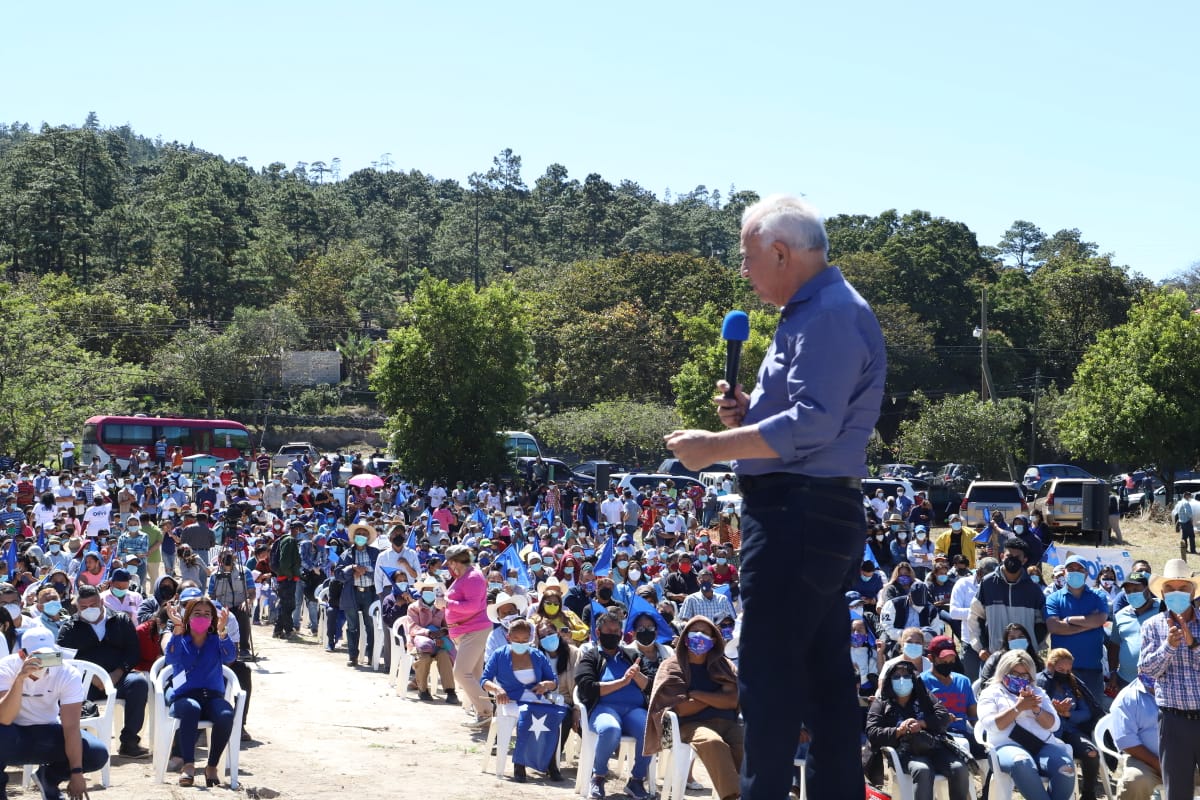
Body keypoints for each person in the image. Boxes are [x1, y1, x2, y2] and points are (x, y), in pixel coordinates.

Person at [664, 195, 885, 800]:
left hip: (798, 513)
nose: (743, 271)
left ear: (781, 252)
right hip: (809, 511)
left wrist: (714, 445)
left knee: (768, 678)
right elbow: (804, 416)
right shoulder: (814, 310)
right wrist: (748, 416)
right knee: (822, 679)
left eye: (747, 257)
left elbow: (812, 425)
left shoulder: (830, 315)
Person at [0, 627, 108, 800]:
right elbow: (4, 718)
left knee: (96, 753)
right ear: (22, 654)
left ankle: (48, 778)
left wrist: (77, 772)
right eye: (38, 657)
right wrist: (20, 679)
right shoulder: (6, 667)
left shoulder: (67, 672)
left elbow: (71, 726)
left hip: (47, 732)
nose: (44, 662)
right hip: (12, 734)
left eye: (49, 657)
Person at [646, 616, 743, 800]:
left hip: (728, 723)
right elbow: (682, 709)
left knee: (748, 745)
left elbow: (732, 701)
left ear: (714, 640)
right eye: (694, 631)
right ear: (685, 636)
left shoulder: (724, 665)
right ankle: (733, 796)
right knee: (713, 742)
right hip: (691, 725)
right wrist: (718, 696)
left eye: (705, 633)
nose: (699, 636)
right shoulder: (673, 666)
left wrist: (696, 694)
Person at [55, 584, 150, 758]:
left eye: (93, 605)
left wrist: (118, 673)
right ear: (77, 606)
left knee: (139, 684)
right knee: (68, 694)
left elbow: (133, 651)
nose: (88, 610)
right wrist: (91, 677)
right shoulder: (70, 627)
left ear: (101, 602)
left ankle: (129, 742)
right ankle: (80, 745)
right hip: (85, 683)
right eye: (83, 607)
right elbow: (64, 659)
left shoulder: (121, 620)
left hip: (118, 678)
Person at [1137, 558, 1200, 800]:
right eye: (1171, 589)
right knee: (1177, 791)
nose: (1177, 593)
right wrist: (1169, 647)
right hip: (1173, 721)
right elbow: (1147, 670)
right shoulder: (1152, 627)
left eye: (1183, 588)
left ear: (1193, 591)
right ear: (1162, 593)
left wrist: (1192, 643)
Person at [866, 659, 973, 800]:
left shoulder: (924, 696)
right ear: (890, 680)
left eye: (906, 676)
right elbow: (872, 731)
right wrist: (899, 730)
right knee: (923, 770)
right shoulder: (882, 702)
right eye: (897, 677)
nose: (902, 680)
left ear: (913, 679)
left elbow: (943, 716)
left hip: (931, 745)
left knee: (959, 768)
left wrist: (922, 723)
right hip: (903, 751)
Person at [977, 649, 1075, 800]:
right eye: (1014, 674)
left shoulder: (1038, 692)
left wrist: (1036, 709)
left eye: (1024, 675)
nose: (1020, 679)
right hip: (1006, 746)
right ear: (1004, 672)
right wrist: (1018, 708)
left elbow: (1054, 726)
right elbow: (991, 725)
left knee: (1066, 767)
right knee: (1022, 762)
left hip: (1041, 745)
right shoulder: (991, 693)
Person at [575, 612, 654, 799]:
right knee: (610, 729)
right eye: (608, 630)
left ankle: (636, 780)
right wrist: (622, 682)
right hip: (604, 708)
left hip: (634, 710)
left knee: (650, 729)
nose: (613, 634)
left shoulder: (633, 655)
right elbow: (587, 688)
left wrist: (637, 676)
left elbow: (652, 686)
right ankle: (599, 776)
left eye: (617, 631)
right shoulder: (591, 656)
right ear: (598, 632)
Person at [163, 595, 237, 787]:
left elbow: (230, 657)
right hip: (184, 697)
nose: (202, 617)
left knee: (226, 714)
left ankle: (211, 766)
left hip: (212, 697)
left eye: (207, 614)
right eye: (197, 613)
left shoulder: (216, 639)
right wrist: (177, 629)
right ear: (188, 616)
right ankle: (188, 765)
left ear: (213, 618)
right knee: (191, 709)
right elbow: (170, 658)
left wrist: (222, 632)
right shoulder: (181, 638)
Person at [480, 617, 565, 783]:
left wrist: (545, 684)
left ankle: (551, 763)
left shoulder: (537, 655)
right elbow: (485, 680)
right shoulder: (499, 655)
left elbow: (553, 681)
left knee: (553, 718)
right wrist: (498, 689)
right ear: (509, 638)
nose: (521, 643)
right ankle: (520, 764)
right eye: (517, 639)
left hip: (536, 699)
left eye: (525, 640)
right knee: (525, 718)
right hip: (511, 701)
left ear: (531, 639)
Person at [1036, 647, 1103, 800]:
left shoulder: (1072, 683)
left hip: (1071, 730)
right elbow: (1036, 712)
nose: (1065, 673)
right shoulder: (1040, 682)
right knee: (1061, 762)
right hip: (1049, 734)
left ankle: (1088, 794)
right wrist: (1054, 710)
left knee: (1091, 753)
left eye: (1068, 670)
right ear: (1050, 665)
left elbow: (1086, 712)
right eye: (1060, 669)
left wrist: (1068, 714)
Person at [441, 543, 492, 730]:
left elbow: (470, 606)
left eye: (449, 563)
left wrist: (446, 603)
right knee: (475, 675)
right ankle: (484, 717)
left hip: (474, 630)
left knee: (461, 673)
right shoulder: (465, 576)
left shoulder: (473, 577)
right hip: (466, 631)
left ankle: (486, 710)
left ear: (454, 562)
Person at [1044, 554, 1110, 700]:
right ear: (1064, 573)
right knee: (1064, 714)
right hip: (1061, 670)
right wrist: (1087, 625)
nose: (1075, 571)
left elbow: (1100, 618)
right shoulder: (1053, 598)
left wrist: (1068, 620)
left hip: (1092, 669)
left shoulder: (1098, 595)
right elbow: (1054, 626)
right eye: (1071, 568)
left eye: (1080, 569)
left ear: (1086, 573)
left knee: (1094, 715)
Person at [970, 537, 1046, 662]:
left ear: (1024, 560)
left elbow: (1042, 623)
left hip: (1024, 658)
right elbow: (976, 616)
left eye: (1017, 557)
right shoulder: (988, 584)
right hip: (994, 656)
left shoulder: (1033, 589)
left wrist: (1032, 647)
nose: (1012, 560)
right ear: (1001, 556)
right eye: (1009, 556)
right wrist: (981, 647)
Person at [1108, 673, 1163, 800]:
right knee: (1135, 781)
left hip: (1189, 759)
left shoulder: (1186, 689)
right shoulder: (1128, 697)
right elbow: (1126, 741)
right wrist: (1159, 765)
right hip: (1147, 761)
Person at [335, 522, 380, 667]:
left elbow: (380, 573)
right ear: (354, 536)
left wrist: (365, 570)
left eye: (364, 534)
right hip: (352, 593)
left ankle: (371, 656)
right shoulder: (346, 554)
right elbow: (338, 574)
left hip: (370, 594)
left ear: (368, 537)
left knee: (371, 626)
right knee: (352, 626)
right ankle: (353, 656)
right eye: (359, 533)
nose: (361, 536)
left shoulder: (375, 553)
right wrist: (352, 568)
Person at [1106, 569, 1158, 691]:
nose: (1132, 594)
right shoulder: (1120, 616)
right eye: (1128, 591)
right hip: (1126, 680)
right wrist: (1113, 673)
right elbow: (1114, 646)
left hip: (1156, 682)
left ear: (1147, 589)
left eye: (1136, 590)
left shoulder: (1163, 609)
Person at [405, 576, 456, 702]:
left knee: (444, 655)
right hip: (419, 643)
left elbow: (447, 625)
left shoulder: (441, 607)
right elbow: (413, 628)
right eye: (427, 590)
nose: (430, 593)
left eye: (432, 590)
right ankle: (423, 690)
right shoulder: (413, 607)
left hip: (439, 642)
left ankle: (450, 691)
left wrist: (442, 633)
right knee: (424, 658)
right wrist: (429, 633)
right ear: (421, 592)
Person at [273, 521, 303, 640]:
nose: (301, 532)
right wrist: (289, 575)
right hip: (287, 578)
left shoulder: (288, 540)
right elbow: (284, 561)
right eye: (300, 529)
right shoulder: (289, 540)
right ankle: (289, 630)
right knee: (288, 605)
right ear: (295, 529)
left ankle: (278, 630)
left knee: (284, 604)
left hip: (287, 577)